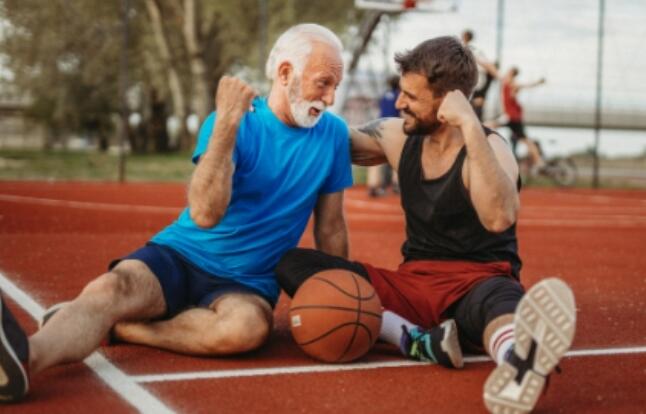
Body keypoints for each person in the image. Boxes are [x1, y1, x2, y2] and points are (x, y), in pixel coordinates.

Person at [0, 23, 353, 403]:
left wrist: (342, 294)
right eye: (323, 83)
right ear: (286, 73)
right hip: (181, 254)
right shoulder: (233, 122)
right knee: (112, 288)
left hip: (247, 283)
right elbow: (204, 213)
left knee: (247, 330)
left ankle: (121, 328)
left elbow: (331, 226)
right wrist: (227, 124)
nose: (331, 97)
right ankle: (24, 361)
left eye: (335, 86)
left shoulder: (332, 136)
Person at [276, 36, 576, 413]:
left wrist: (469, 123)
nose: (399, 103)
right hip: (411, 286)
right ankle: (413, 339)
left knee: (500, 301)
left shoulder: (491, 148)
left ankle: (520, 360)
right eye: (401, 92)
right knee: (292, 264)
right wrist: (295, 99)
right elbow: (333, 140)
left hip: (476, 284)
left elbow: (498, 216)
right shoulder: (398, 137)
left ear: (450, 101)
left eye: (411, 97)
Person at [500, 66, 546, 173]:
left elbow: (525, 86)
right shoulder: (507, 82)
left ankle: (539, 162)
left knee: (487, 125)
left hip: (512, 117)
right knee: (526, 141)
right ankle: (539, 162)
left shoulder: (513, 84)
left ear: (511, 73)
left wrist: (537, 82)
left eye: (509, 71)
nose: (506, 73)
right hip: (511, 117)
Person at [367, 75, 400, 197]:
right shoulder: (399, 95)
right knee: (398, 157)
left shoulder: (384, 95)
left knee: (376, 158)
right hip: (393, 127)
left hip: (378, 127)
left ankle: (373, 185)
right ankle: (396, 184)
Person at [461, 29, 499, 121]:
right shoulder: (466, 50)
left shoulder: (474, 51)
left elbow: (485, 64)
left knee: (476, 107)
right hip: (472, 87)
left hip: (475, 88)